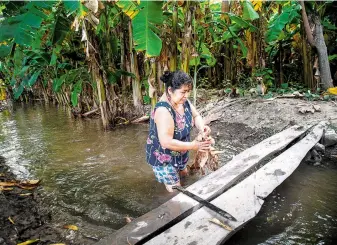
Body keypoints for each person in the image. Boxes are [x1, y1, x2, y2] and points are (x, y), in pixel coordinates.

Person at [146, 70, 212, 192]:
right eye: (183, 92)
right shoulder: (163, 111)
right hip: (164, 158)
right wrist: (193, 145)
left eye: (188, 92)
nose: (186, 95)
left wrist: (201, 128)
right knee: (176, 193)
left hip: (181, 152)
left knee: (184, 176)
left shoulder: (183, 101)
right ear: (170, 90)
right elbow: (166, 142)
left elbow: (196, 116)